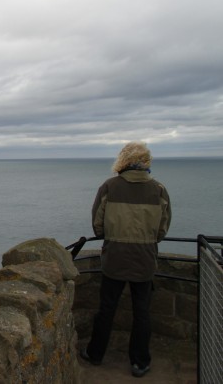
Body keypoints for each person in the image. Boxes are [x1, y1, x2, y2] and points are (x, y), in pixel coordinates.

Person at [80, 141, 172, 378]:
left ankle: (96, 353)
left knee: (106, 309)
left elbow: (98, 226)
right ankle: (140, 362)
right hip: (145, 259)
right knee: (142, 312)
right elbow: (162, 230)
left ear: (122, 160)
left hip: (115, 258)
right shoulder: (159, 190)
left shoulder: (109, 187)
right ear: (147, 161)